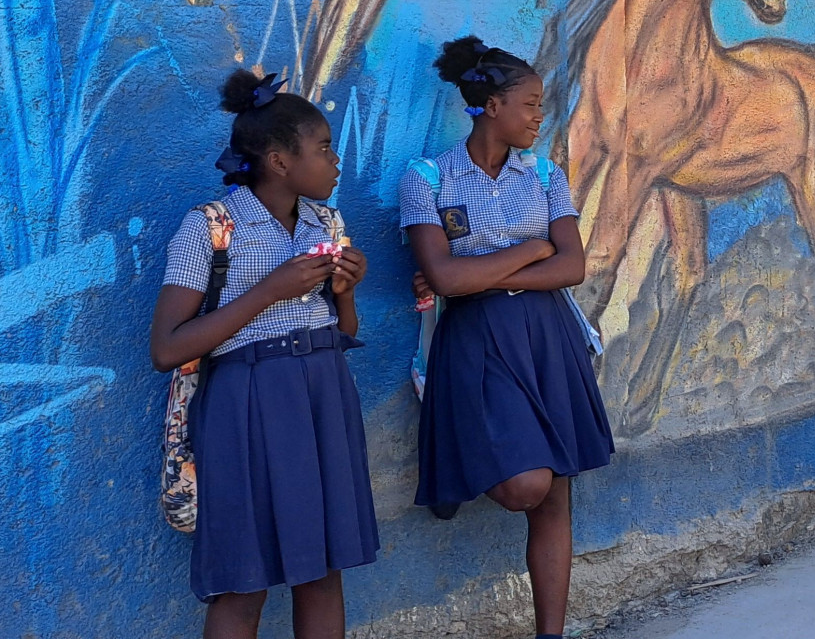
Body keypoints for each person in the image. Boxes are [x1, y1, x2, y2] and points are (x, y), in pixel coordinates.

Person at [149, 70, 376, 639]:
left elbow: (344, 329)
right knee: (242, 578)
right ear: (279, 160)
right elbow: (166, 347)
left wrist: (346, 293)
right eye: (323, 147)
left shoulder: (326, 223)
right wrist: (269, 290)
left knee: (323, 569)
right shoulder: (210, 229)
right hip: (245, 402)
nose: (334, 159)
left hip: (323, 392)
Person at [404, 37, 613, 639]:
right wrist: (533, 248)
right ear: (491, 106)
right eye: (529, 104)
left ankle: (551, 633)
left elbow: (571, 268)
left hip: (549, 336)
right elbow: (443, 278)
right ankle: (460, 468)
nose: (538, 116)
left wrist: (482, 274)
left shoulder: (546, 174)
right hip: (476, 341)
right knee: (525, 485)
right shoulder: (427, 178)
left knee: (554, 496)